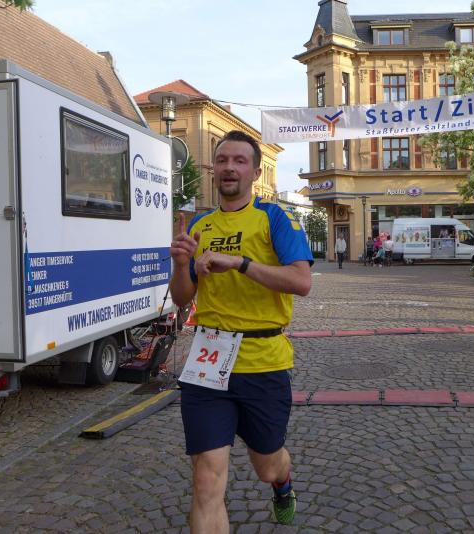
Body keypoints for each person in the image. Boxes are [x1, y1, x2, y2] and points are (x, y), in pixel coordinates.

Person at [169, 130, 313, 532]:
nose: (229, 167)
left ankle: (282, 484)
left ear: (255, 172)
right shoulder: (201, 224)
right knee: (205, 478)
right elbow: (182, 298)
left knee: (266, 465)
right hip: (207, 362)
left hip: (262, 361)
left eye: (239, 160)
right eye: (222, 160)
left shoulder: (274, 217)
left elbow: (301, 282)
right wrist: (181, 265)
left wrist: (240, 264)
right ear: (213, 169)